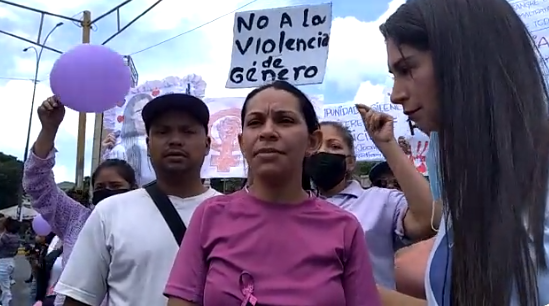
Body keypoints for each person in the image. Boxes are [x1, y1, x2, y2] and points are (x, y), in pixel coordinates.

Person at [378, 0, 549, 305]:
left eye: (407, 69)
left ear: (463, 59)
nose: (395, 95)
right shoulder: (468, 178)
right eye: (393, 75)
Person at [164, 81, 381, 306]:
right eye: (255, 122)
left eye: (284, 120)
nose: (267, 132)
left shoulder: (344, 228)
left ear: (312, 141)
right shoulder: (210, 216)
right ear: (242, 142)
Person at [56, 93, 221, 306]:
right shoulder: (110, 212)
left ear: (207, 144)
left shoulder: (233, 214)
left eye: (188, 131)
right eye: (162, 132)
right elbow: (79, 298)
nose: (175, 140)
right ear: (148, 144)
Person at [23, 96, 139, 306]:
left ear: (134, 189)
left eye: (115, 186)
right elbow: (36, 184)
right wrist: (49, 129)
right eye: (100, 188)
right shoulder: (75, 219)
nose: (107, 192)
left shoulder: (150, 224)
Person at [305, 120, 437, 290]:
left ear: (350, 162)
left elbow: (428, 220)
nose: (322, 151)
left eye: (334, 146)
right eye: (315, 146)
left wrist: (387, 144)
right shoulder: (291, 207)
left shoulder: (381, 200)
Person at [102, 93, 154, 186]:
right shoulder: (120, 150)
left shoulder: (162, 147)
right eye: (140, 112)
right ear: (131, 117)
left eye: (151, 111)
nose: (147, 116)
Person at [0, 217, 21, 306]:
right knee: (4, 283)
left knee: (5, 287)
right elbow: (16, 251)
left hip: (3, 262)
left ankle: (5, 303)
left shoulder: (5, 237)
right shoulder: (17, 237)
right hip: (10, 261)